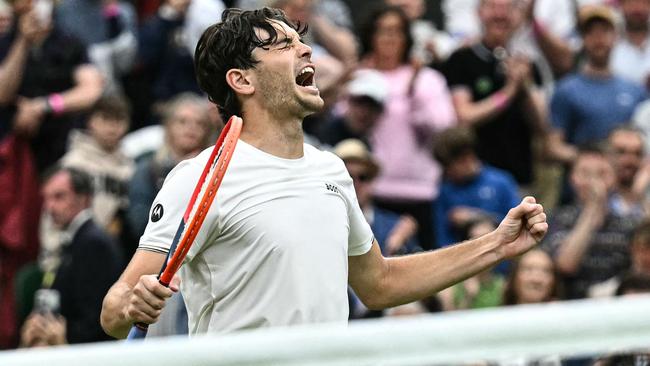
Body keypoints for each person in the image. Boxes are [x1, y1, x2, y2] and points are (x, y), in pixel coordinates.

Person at [100, 7, 548, 338]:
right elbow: (114, 310)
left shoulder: (331, 168)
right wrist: (131, 303)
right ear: (242, 81)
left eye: (299, 40)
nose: (305, 48)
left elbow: (380, 283)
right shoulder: (197, 179)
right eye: (282, 46)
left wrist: (496, 245)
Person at [359, 5, 457, 250]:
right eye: (383, 31)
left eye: (397, 31)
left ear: (407, 37)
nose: (389, 38)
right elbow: (346, 129)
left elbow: (444, 129)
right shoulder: (360, 77)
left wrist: (413, 95)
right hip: (371, 192)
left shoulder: (427, 79)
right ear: (371, 36)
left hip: (420, 192)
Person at [443, 0, 546, 188]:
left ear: (518, 16)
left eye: (508, 8)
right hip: (473, 179)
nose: (500, 15)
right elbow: (464, 115)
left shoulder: (527, 62)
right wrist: (509, 91)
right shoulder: (462, 60)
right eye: (492, 7)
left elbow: (541, 124)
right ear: (480, 13)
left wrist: (524, 86)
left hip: (520, 177)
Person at [20, 167, 122, 346]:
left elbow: (94, 320)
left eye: (59, 196)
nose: (49, 207)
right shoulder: (78, 238)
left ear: (83, 198)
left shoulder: (92, 243)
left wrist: (55, 337)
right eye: (46, 198)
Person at [546, 5, 647, 166]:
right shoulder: (566, 90)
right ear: (583, 39)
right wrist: (592, 159)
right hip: (581, 183)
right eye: (591, 32)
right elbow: (552, 147)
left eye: (604, 31)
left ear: (615, 37)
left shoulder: (635, 91)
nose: (598, 38)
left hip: (625, 184)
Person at [542, 146, 636, 299]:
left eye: (602, 173)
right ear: (572, 178)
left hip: (617, 307)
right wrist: (592, 209)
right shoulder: (557, 219)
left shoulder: (629, 224)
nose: (593, 182)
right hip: (570, 306)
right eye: (585, 173)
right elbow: (566, 265)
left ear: (614, 177)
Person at [433, 126, 521, 248]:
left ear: (467, 158)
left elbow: (519, 224)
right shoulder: (446, 191)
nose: (448, 173)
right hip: (461, 259)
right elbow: (442, 240)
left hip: (503, 253)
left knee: (481, 232)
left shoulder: (500, 182)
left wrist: (474, 217)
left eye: (450, 166)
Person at [610, 0, 650, 86]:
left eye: (643, 2)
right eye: (631, 2)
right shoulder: (608, 43)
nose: (637, 9)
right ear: (621, 5)